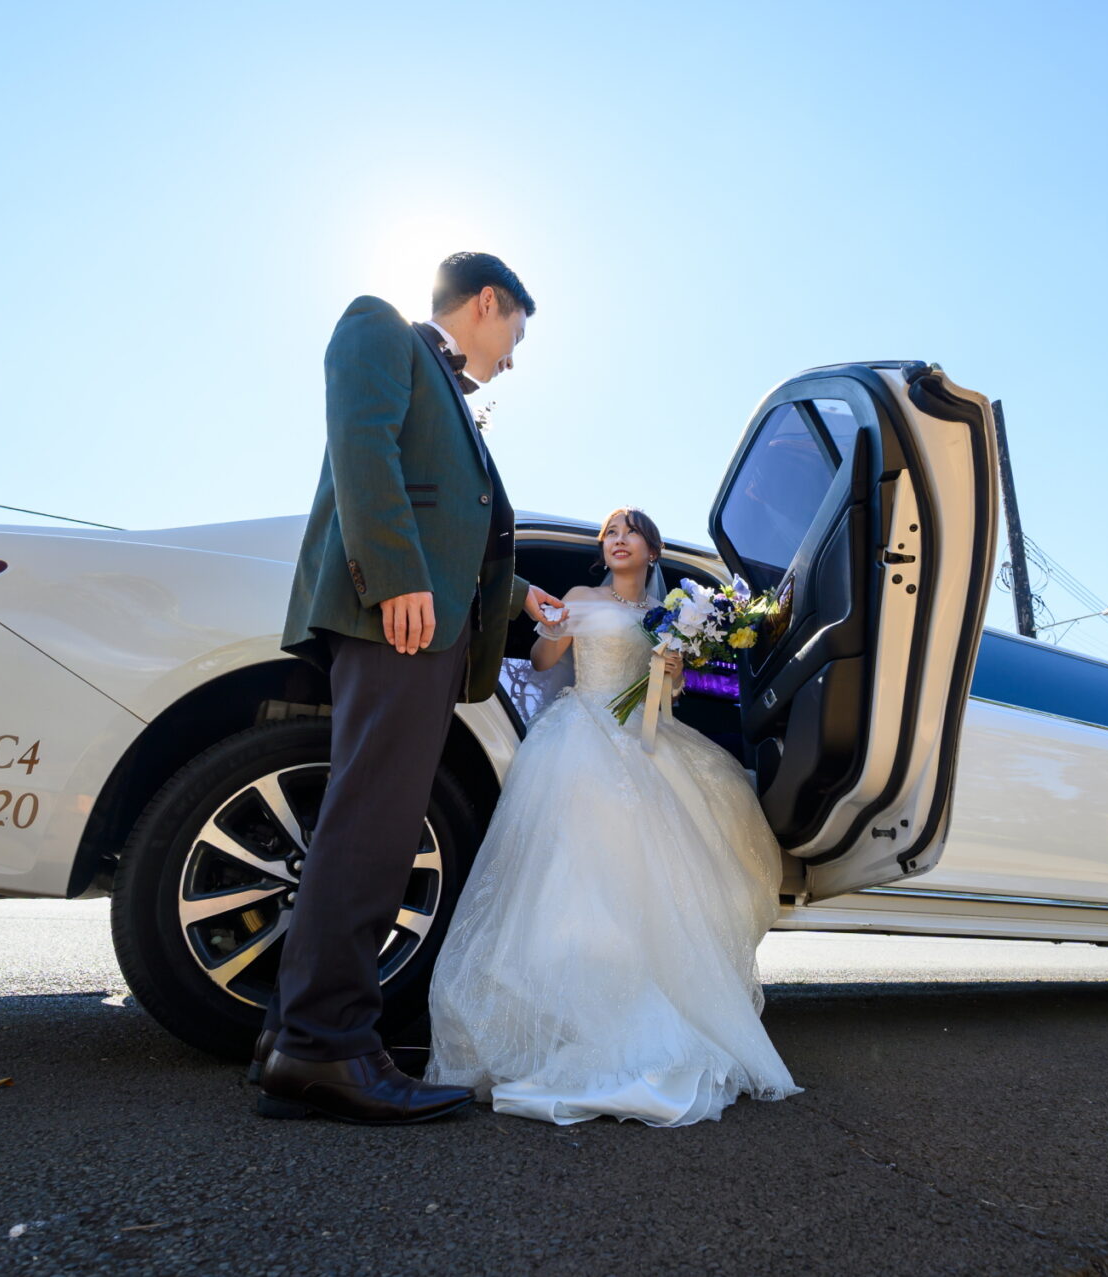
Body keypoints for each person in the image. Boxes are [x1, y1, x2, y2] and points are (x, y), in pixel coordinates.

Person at [254, 252, 564, 1124]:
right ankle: (328, 1044)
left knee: (366, 824)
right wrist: (394, 577)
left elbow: (450, 527)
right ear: (490, 300)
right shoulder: (379, 327)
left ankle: (289, 1041)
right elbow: (362, 446)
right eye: (518, 331)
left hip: (425, 619)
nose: (515, 356)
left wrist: (516, 596)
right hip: (398, 619)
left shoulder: (448, 389)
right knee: (373, 828)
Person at [425, 508, 800, 1126]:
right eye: (611, 534)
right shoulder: (580, 595)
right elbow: (543, 662)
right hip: (580, 733)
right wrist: (554, 630)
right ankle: (563, 1003)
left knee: (656, 871)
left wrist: (674, 670)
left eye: (631, 532)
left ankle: (645, 988)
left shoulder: (670, 615)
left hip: (646, 737)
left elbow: (666, 696)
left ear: (652, 550)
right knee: (574, 869)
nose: (618, 540)